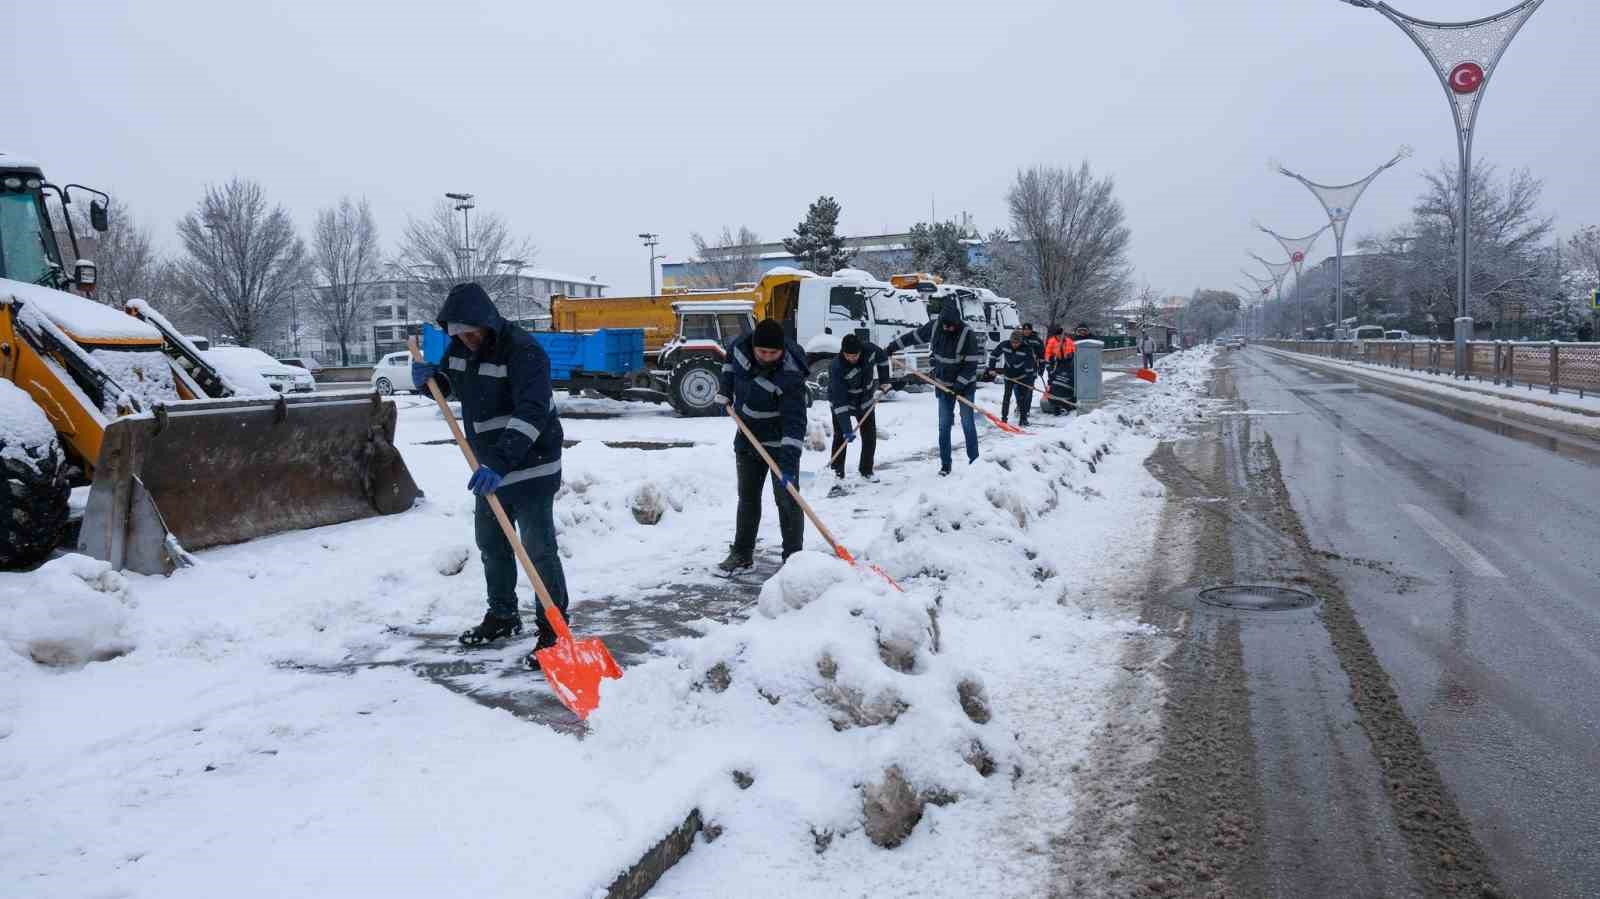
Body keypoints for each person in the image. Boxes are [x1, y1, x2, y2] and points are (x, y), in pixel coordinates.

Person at [411, 282, 568, 666]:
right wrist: (432, 382)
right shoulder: (460, 347)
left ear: (486, 322)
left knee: (538, 550)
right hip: (489, 468)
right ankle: (503, 616)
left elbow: (532, 412)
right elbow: (453, 384)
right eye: (458, 334)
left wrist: (500, 462)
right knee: (492, 544)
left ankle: (554, 630)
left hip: (531, 463)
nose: (466, 339)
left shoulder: (523, 350)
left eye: (470, 332)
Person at [716, 318, 809, 573]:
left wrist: (787, 465)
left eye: (773, 353)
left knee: (788, 500)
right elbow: (729, 366)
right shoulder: (739, 347)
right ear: (753, 346)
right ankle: (742, 554)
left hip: (779, 443)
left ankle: (794, 560)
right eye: (762, 352)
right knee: (747, 498)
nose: (767, 357)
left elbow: (794, 424)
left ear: (782, 350)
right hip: (747, 437)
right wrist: (725, 390)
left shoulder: (790, 375)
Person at [886, 300, 986, 475]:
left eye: (951, 326)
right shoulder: (934, 327)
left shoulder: (967, 334)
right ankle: (945, 465)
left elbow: (970, 365)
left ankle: (974, 463)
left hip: (964, 387)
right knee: (944, 425)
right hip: (943, 385)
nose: (947, 329)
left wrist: (959, 386)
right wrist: (892, 347)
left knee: (967, 423)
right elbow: (912, 337)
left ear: (957, 322)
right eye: (945, 326)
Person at [828, 333, 891, 485]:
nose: (852, 358)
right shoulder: (836, 367)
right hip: (842, 403)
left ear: (860, 351)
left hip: (865, 400)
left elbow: (883, 358)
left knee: (869, 436)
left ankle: (866, 470)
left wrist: (884, 381)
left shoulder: (869, 350)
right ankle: (837, 473)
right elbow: (839, 401)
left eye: (855, 355)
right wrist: (847, 429)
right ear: (843, 352)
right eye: (848, 356)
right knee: (840, 436)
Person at [987, 331, 1039, 426]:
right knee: (1007, 396)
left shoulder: (1026, 349)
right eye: (1013, 342)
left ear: (1021, 342)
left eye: (1017, 343)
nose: (1014, 344)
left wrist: (1030, 383)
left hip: (1022, 376)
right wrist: (991, 368)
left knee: (1022, 398)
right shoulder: (1005, 345)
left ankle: (1023, 419)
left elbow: (1030, 368)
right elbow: (993, 355)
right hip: (1008, 375)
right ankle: (1004, 419)